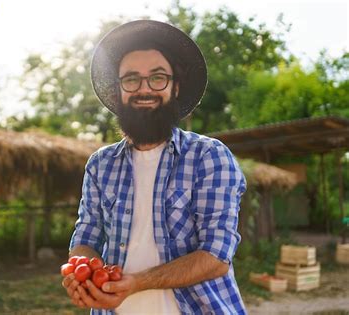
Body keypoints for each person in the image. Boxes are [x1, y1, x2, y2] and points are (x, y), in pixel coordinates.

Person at [62, 20, 247, 315]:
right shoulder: (100, 165)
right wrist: (80, 272)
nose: (144, 89)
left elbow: (216, 256)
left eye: (158, 78)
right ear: (119, 90)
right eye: (131, 79)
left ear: (175, 88)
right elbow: (85, 239)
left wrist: (137, 283)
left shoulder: (209, 156)